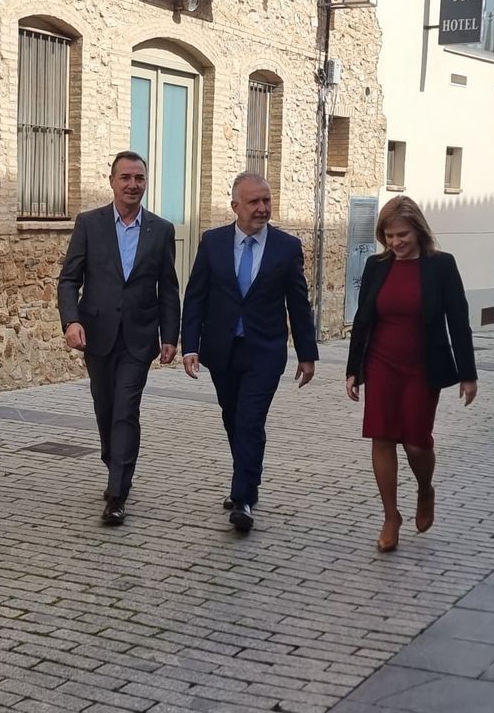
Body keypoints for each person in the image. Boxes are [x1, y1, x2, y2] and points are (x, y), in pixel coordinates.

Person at [181, 172, 317, 533]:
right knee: (232, 417)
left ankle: (242, 497)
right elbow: (196, 297)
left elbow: (298, 304)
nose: (261, 208)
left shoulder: (286, 248)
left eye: (266, 200)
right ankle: (248, 479)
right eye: (254, 202)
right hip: (222, 350)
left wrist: (307, 354)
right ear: (235, 206)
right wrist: (189, 345)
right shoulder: (213, 243)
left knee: (249, 420)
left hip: (265, 351)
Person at [345, 195, 478, 553]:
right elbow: (363, 319)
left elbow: (458, 321)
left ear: (418, 230)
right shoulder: (376, 266)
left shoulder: (441, 266)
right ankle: (391, 517)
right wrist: (353, 370)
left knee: (417, 443)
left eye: (402, 235)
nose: (395, 242)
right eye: (389, 236)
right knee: (382, 437)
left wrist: (468, 374)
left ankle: (424, 489)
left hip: (422, 366)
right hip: (381, 363)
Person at [57, 151, 181, 526]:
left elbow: (168, 289)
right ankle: (114, 463)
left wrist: (170, 335)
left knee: (126, 409)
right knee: (105, 409)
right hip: (97, 335)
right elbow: (69, 280)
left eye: (139, 178)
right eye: (125, 177)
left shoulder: (161, 230)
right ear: (112, 181)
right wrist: (71, 321)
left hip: (139, 338)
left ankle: (117, 494)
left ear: (146, 183)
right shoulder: (89, 224)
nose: (132, 185)